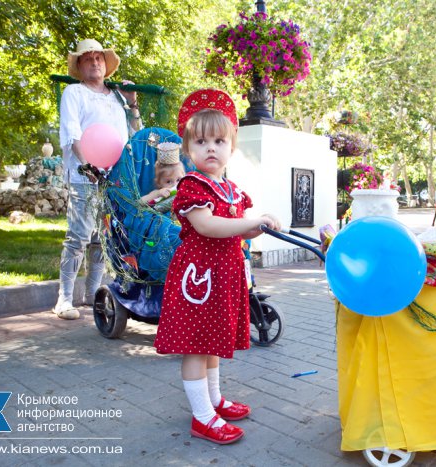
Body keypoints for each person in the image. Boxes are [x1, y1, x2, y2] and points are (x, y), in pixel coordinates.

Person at [153, 89, 281, 445]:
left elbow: (237, 228)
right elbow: (208, 226)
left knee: (211, 343)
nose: (211, 147)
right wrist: (249, 222)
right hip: (198, 279)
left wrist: (260, 225)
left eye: (219, 140)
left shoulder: (230, 189)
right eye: (201, 140)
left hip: (221, 276)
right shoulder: (192, 185)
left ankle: (214, 400)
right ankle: (202, 416)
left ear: (232, 145)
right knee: (196, 345)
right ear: (187, 148)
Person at [54, 39, 143, 320]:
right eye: (88, 59)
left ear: (106, 65)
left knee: (103, 239)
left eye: (99, 58)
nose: (95, 62)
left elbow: (135, 133)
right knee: (78, 237)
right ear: (79, 66)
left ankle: (93, 295)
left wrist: (132, 103)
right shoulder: (74, 92)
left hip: (114, 178)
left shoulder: (116, 98)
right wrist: (88, 166)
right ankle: (64, 299)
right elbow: (72, 134)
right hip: (85, 177)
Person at [140, 143, 186, 209]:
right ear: (159, 183)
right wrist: (158, 194)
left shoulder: (186, 190)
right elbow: (140, 202)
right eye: (168, 182)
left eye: (178, 180)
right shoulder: (158, 193)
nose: (175, 185)